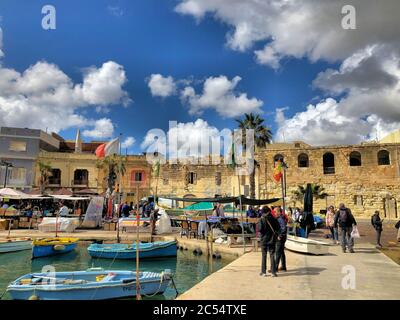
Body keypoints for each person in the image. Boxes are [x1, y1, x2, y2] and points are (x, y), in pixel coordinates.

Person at [258, 206, 280, 277]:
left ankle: (263, 272)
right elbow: (278, 228)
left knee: (264, 255)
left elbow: (260, 229)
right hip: (272, 239)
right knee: (272, 255)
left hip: (264, 239)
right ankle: (273, 272)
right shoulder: (274, 219)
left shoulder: (262, 219)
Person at [275, 207, 287, 272]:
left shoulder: (280, 219)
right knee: (281, 252)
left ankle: (275, 268)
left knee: (278, 252)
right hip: (283, 237)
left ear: (279, 212)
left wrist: (280, 235)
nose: (275, 213)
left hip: (281, 237)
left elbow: (284, 228)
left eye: (275, 212)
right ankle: (283, 267)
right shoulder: (280, 218)